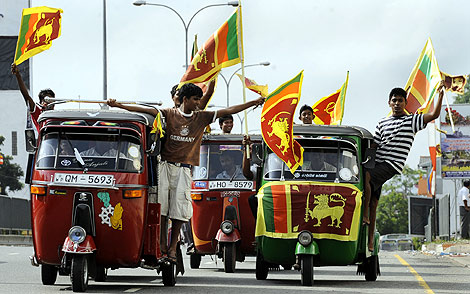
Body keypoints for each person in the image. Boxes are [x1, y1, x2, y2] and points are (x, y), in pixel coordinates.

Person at [107, 83, 264, 263]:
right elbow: (145, 109)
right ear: (184, 99)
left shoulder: (201, 117)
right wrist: (118, 105)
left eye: (199, 99)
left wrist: (254, 102)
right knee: (163, 210)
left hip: (184, 169)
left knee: (180, 212)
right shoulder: (168, 113)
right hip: (165, 166)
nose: (198, 103)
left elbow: (230, 109)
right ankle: (162, 246)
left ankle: (173, 247)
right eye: (195, 99)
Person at [363, 81, 445, 251]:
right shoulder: (382, 123)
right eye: (394, 100)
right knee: (374, 202)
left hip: (392, 164)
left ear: (406, 103)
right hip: (377, 163)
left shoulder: (412, 120)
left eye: (400, 100)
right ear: (389, 103)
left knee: (366, 176)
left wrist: (441, 94)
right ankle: (370, 241)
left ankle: (364, 215)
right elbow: (374, 146)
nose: (397, 103)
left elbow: (434, 114)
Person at [11, 63, 55, 132]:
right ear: (41, 103)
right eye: (46, 100)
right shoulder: (39, 114)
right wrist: (18, 75)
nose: (49, 103)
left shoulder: (59, 116)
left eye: (51, 100)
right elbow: (26, 97)